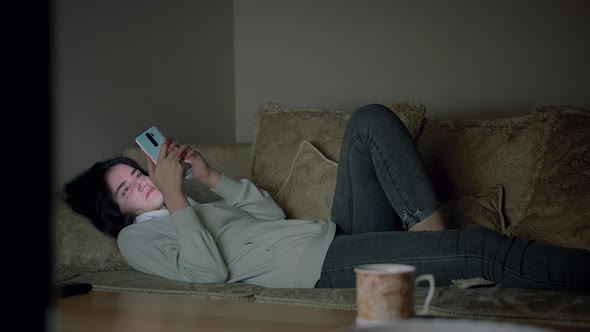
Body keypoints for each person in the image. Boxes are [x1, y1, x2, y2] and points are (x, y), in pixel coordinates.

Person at [64, 104, 589, 291]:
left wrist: (209, 177)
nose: (143, 183)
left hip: (333, 237)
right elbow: (208, 274)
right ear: (119, 214)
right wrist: (176, 201)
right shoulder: (141, 240)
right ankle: (447, 254)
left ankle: (432, 245)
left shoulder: (190, 202)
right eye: (127, 191)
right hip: (320, 268)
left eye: (135, 174)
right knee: (482, 249)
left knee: (369, 122)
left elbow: (268, 214)